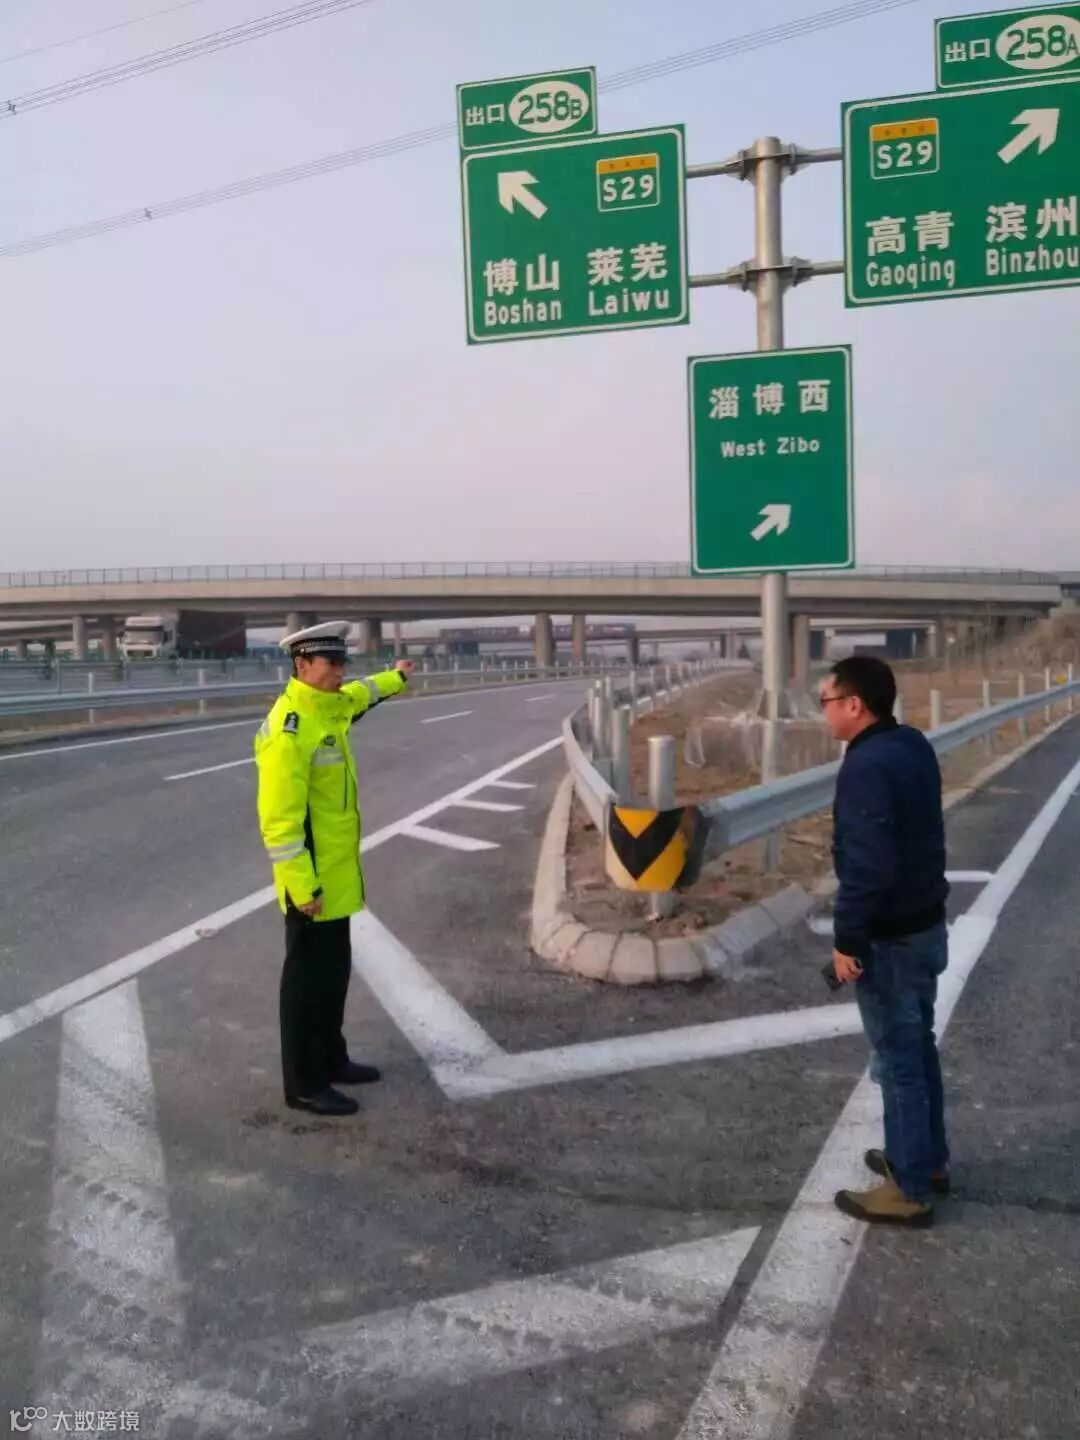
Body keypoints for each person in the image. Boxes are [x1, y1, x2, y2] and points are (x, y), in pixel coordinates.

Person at [255, 621, 413, 1117]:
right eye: (331, 663)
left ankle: (332, 1058)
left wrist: (397, 677)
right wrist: (303, 888)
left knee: (333, 976)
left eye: (343, 662)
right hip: (311, 886)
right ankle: (304, 1083)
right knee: (306, 985)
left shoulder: (330, 706)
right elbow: (279, 824)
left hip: (337, 879)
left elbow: (364, 694)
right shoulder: (289, 731)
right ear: (302, 665)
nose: (341, 672)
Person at [820, 655, 950, 1227]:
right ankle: (926, 1159)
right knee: (918, 1049)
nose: (824, 712)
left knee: (898, 1061)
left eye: (826, 701)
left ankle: (909, 1188)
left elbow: (867, 866)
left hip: (892, 939)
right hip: (925, 924)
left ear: (854, 705)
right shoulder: (911, 744)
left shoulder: (866, 765)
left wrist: (847, 940)